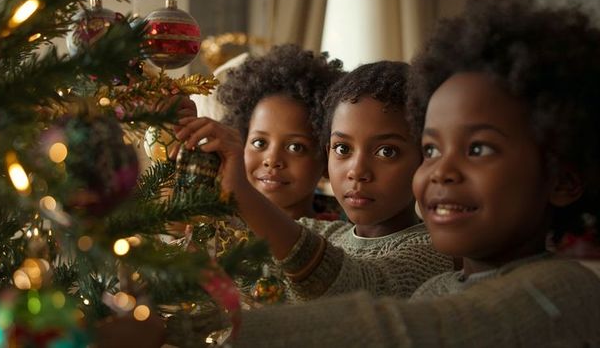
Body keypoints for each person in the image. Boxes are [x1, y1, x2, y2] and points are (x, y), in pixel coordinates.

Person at [225, 0, 600, 346]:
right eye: (433, 149)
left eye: (479, 148)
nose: (441, 171)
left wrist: (198, 332)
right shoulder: (436, 289)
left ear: (563, 180)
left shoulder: (569, 291)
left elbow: (402, 331)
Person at [175, 61, 453, 300]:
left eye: (386, 151)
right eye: (343, 149)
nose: (357, 171)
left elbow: (351, 288)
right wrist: (184, 136)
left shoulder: (435, 252)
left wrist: (244, 192)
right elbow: (229, 234)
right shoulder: (331, 234)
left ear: (427, 159)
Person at [217, 44, 344, 220]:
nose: (272, 160)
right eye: (259, 143)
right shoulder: (213, 225)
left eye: (296, 147)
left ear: (326, 156)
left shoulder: (335, 242)